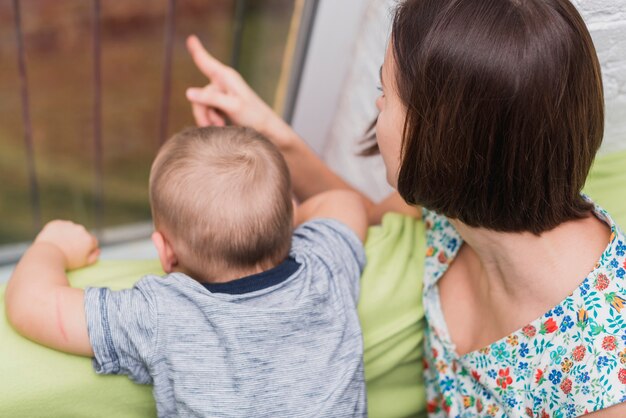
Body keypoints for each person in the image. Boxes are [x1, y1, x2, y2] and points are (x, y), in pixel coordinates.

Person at [185, 0, 626, 416]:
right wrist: (270, 135)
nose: (377, 103)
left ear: (446, 143)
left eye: (386, 92)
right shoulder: (470, 203)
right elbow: (370, 213)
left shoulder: (604, 380)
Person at [5, 126, 369, 417]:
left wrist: (51, 246)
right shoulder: (325, 267)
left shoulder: (164, 313)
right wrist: (279, 222)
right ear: (288, 221)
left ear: (165, 254)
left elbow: (30, 304)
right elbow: (343, 202)